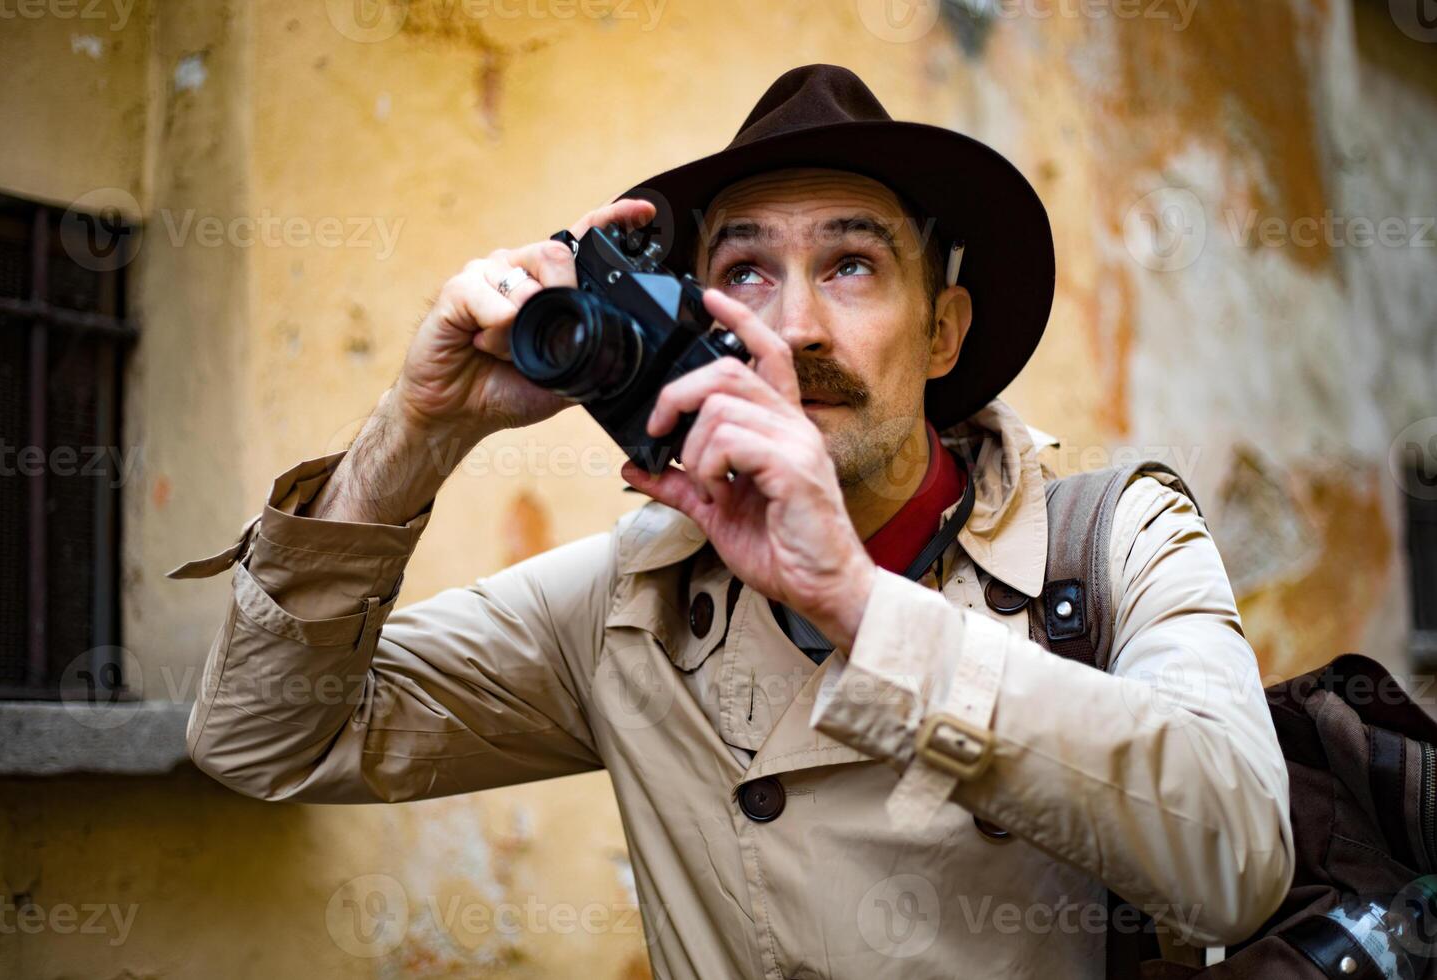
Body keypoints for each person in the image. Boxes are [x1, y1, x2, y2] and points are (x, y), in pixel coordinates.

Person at [173, 65, 1293, 979]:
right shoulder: (630, 601)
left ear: (944, 330)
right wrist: (419, 427)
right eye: (746, 270)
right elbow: (263, 737)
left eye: (852, 265)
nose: (795, 325)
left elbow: (1236, 857)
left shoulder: (1112, 538)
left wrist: (853, 603)